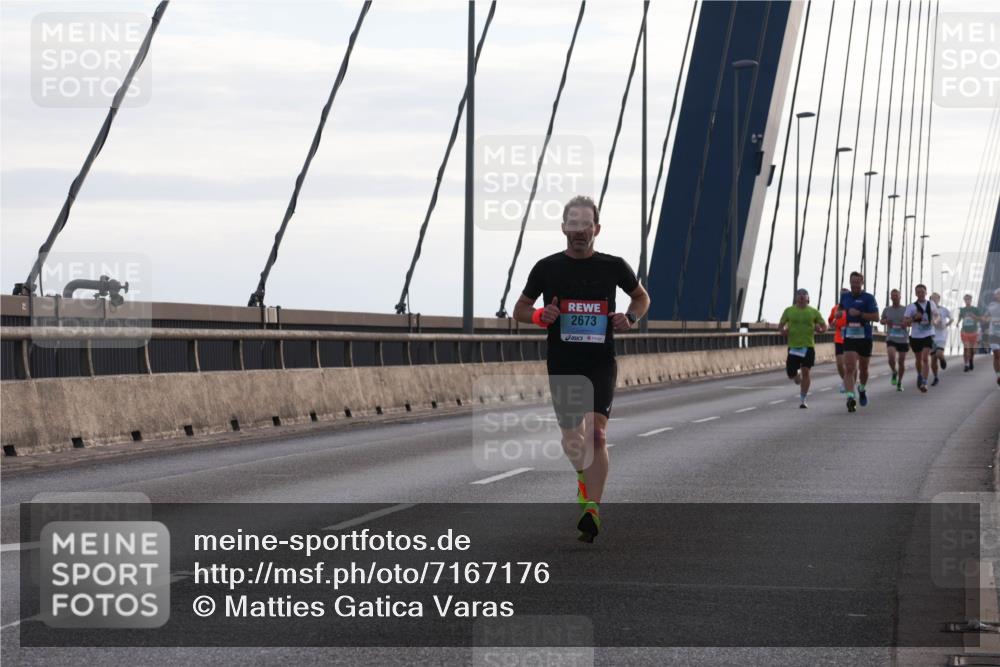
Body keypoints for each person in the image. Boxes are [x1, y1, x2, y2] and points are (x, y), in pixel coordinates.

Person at [514, 195, 650, 542]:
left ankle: (592, 507)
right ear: (563, 228)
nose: (578, 231)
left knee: (597, 434)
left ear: (596, 228)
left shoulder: (613, 266)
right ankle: (582, 478)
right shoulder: (546, 267)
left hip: (600, 361)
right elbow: (520, 308)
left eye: (585, 224)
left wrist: (631, 317)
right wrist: (539, 316)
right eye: (572, 224)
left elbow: (641, 297)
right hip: (563, 362)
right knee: (572, 438)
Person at [779, 288, 828, 408]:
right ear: (796, 298)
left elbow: (824, 325)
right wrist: (783, 331)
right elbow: (781, 325)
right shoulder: (789, 311)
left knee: (806, 371)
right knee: (791, 374)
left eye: (804, 295)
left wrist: (821, 330)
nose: (801, 297)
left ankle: (803, 399)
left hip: (808, 346)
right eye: (799, 295)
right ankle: (796, 376)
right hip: (793, 347)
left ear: (808, 298)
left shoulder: (813, 312)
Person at [839, 272, 880, 412]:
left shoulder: (868, 298)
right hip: (850, 336)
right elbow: (841, 309)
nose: (855, 285)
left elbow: (876, 317)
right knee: (849, 367)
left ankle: (861, 388)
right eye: (853, 282)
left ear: (862, 283)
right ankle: (850, 397)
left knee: (864, 369)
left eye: (857, 282)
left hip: (865, 337)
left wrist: (861, 314)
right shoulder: (845, 297)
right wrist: (839, 314)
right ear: (850, 283)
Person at [903, 284, 937, 393]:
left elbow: (937, 316)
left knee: (925, 358)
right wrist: (913, 318)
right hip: (916, 336)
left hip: (928, 334)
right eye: (918, 292)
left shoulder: (931, 304)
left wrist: (934, 321)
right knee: (918, 360)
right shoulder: (911, 307)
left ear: (926, 293)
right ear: (916, 293)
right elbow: (905, 323)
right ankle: (919, 374)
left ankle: (924, 382)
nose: (921, 294)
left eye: (922, 291)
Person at [880, 289, 910, 392]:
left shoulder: (906, 309)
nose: (894, 297)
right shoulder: (887, 309)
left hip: (903, 338)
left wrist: (906, 323)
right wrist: (885, 321)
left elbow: (910, 322)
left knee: (901, 361)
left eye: (896, 295)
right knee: (891, 357)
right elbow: (881, 320)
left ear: (900, 296)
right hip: (891, 337)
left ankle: (899, 382)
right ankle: (894, 372)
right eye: (893, 296)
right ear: (890, 297)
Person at [929, 292, 952, 386]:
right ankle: (935, 377)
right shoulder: (928, 310)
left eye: (936, 298)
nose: (934, 300)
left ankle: (942, 360)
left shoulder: (944, 310)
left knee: (939, 353)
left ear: (939, 299)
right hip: (931, 336)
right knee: (933, 359)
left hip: (942, 335)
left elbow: (952, 318)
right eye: (932, 298)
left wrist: (946, 325)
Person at [828, 289, 849, 393]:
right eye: (842, 295)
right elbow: (830, 320)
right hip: (839, 338)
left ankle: (847, 382)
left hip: (851, 338)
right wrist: (832, 322)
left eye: (845, 295)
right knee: (840, 364)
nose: (843, 297)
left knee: (850, 364)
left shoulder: (851, 308)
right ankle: (845, 380)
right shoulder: (835, 308)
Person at [957, 293, 984, 372]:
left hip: (974, 332)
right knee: (966, 348)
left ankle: (971, 359)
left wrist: (974, 316)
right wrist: (957, 323)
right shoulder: (962, 309)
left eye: (969, 299)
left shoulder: (975, 309)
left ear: (971, 300)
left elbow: (981, 319)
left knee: (973, 350)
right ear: (964, 300)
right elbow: (960, 317)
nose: (967, 301)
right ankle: (966, 365)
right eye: (966, 299)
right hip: (965, 331)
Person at [987, 288, 1000, 387]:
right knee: (996, 354)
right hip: (994, 334)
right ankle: (998, 375)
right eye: (998, 294)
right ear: (995, 296)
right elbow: (986, 316)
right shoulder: (992, 306)